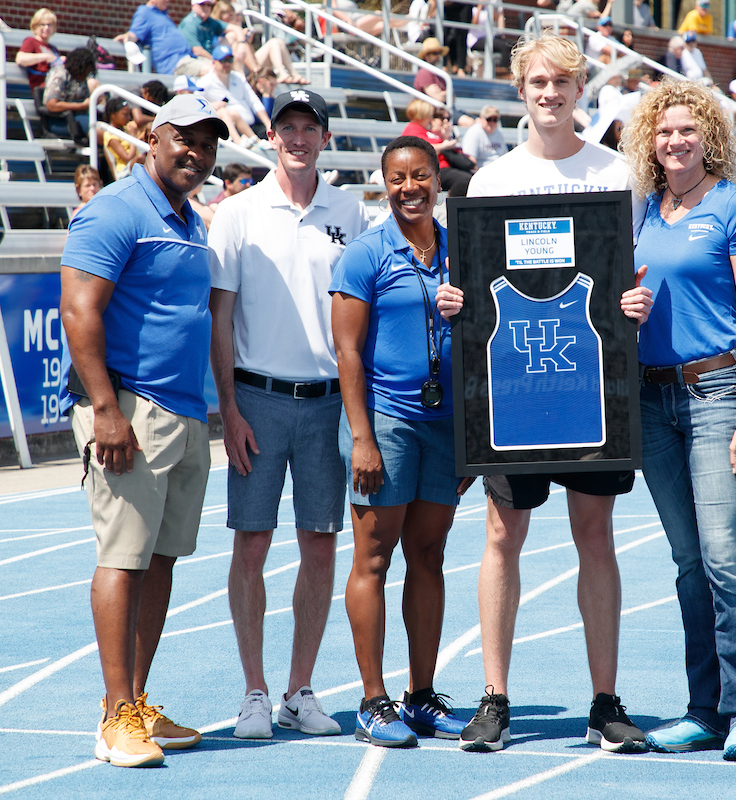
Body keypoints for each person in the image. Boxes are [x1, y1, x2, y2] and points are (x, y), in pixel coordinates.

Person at [436, 32, 648, 755]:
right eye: (536, 82)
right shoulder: (493, 180)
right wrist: (454, 303)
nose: (549, 93)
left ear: (578, 87)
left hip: (591, 385)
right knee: (502, 534)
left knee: (596, 535)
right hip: (515, 387)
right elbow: (473, 283)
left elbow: (631, 270)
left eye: (561, 81)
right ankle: (495, 699)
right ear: (520, 91)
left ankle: (604, 701)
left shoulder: (617, 172)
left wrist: (636, 303)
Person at [60, 94, 228, 769]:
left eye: (208, 143)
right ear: (151, 139)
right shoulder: (115, 210)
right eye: (184, 138)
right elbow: (78, 310)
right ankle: (113, 715)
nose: (196, 152)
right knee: (124, 557)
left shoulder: (187, 219)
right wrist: (106, 409)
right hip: (131, 411)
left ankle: (135, 700)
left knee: (159, 559)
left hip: (182, 413)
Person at [208, 88, 372, 741]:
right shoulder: (238, 213)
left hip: (329, 401)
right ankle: (253, 691)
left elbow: (364, 311)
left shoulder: (351, 211)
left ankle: (299, 691)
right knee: (251, 543)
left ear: (325, 137)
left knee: (320, 544)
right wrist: (228, 410)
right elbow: (220, 319)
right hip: (256, 399)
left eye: (310, 126)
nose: (298, 137)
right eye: (288, 127)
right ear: (272, 137)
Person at [619, 79, 736, 762]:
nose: (675, 141)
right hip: (651, 401)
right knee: (688, 564)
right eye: (663, 131)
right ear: (649, 142)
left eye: (687, 130)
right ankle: (704, 708)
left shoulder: (735, 209)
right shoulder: (642, 212)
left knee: (723, 557)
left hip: (715, 394)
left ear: (709, 136)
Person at [329, 136, 470, 747]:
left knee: (430, 556)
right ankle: (371, 700)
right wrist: (362, 438)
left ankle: (419, 696)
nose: (409, 188)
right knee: (374, 559)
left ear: (437, 179)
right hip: (385, 423)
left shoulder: (461, 253)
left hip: (444, 428)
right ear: (383, 184)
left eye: (419, 177)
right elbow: (348, 353)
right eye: (396, 179)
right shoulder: (365, 254)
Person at [197, 44, 271, 144]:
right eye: (223, 61)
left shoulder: (239, 78)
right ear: (214, 62)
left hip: (251, 127)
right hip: (228, 129)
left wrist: (267, 124)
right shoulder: (204, 82)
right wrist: (212, 105)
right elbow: (197, 105)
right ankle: (241, 141)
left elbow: (254, 101)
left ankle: (254, 141)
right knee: (227, 113)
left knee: (270, 133)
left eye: (230, 60)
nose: (227, 64)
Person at [402, 98, 473, 197]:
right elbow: (420, 150)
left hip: (442, 168)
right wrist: (444, 145)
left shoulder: (425, 131)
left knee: (472, 178)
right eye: (429, 115)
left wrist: (444, 138)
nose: (431, 119)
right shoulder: (412, 129)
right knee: (466, 180)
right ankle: (453, 208)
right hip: (433, 170)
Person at [116, 0, 207, 77]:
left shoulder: (163, 15)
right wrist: (128, 36)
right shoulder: (145, 12)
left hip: (191, 59)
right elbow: (134, 33)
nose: (167, 0)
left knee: (218, 66)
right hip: (176, 65)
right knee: (212, 71)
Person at [42, 47, 98, 145]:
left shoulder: (81, 78)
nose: (86, 74)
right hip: (62, 120)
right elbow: (51, 105)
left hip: (82, 117)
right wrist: (81, 106)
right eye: (85, 71)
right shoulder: (61, 75)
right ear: (78, 66)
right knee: (99, 132)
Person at [16, 8, 61, 106]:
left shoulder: (53, 49)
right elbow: (20, 59)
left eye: (50, 25)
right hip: (42, 91)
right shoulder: (31, 41)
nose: (46, 28)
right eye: (42, 25)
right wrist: (45, 57)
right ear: (35, 26)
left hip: (55, 89)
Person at [103, 97, 140, 181]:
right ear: (113, 115)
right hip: (124, 171)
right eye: (125, 114)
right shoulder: (110, 135)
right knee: (140, 158)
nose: (129, 117)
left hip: (135, 165)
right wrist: (133, 136)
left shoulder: (126, 129)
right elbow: (127, 158)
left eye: (129, 114)